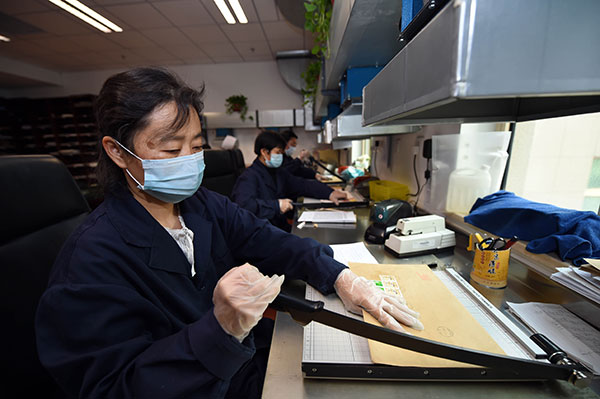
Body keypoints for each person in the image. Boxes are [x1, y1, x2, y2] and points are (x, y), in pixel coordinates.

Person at [35, 67, 422, 399]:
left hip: (248, 368)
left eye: (197, 146)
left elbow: (270, 240)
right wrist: (219, 329)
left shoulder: (202, 205)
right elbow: (114, 388)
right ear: (118, 152)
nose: (189, 161)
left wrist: (341, 276)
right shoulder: (88, 264)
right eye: (171, 150)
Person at [231, 132, 346, 232]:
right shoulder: (248, 177)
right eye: (278, 152)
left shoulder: (278, 172)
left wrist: (329, 193)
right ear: (264, 152)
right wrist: (276, 206)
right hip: (259, 234)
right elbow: (244, 207)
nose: (281, 156)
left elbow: (302, 185)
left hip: (278, 229)